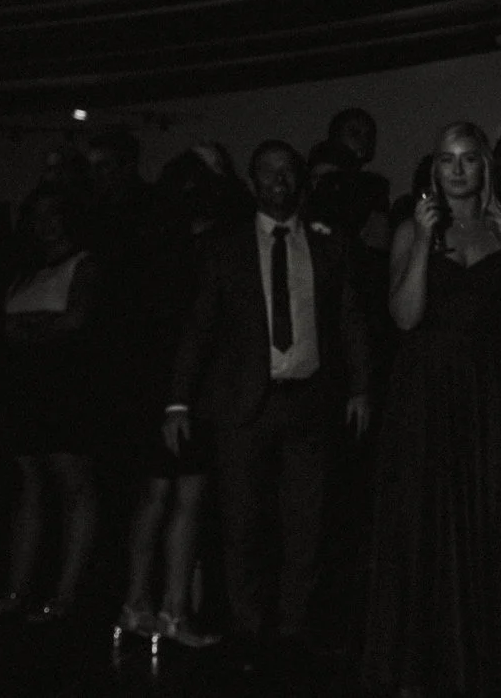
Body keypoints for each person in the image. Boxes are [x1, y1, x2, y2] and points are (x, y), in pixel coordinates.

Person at [166, 141, 371, 665]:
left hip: (310, 399)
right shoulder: (225, 245)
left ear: (299, 181)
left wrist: (360, 388)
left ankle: (292, 628)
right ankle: (249, 628)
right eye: (268, 174)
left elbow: (350, 321)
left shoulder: (329, 244)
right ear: (253, 183)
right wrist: (178, 402)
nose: (279, 182)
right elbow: (198, 326)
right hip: (242, 403)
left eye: (287, 173)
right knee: (242, 521)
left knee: (308, 520)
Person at [361, 122, 501, 697]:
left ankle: (481, 667)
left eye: (468, 159)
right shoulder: (411, 231)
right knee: (419, 521)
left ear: (484, 167)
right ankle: (418, 665)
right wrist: (418, 240)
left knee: (486, 516)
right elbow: (405, 317)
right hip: (423, 389)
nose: (458, 170)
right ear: (433, 169)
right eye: (446, 160)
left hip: (489, 389)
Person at [115, 151, 241, 654]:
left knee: (153, 499)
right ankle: (172, 610)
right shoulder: (205, 249)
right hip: (185, 390)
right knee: (186, 500)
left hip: (150, 384)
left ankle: (133, 605)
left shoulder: (150, 244)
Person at [0, 186, 106, 622]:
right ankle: (18, 591)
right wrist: (38, 326)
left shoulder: (84, 264)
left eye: (55, 213)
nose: (46, 223)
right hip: (24, 389)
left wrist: (31, 328)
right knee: (28, 482)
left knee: (73, 482)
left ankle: (66, 595)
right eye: (38, 215)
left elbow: (76, 321)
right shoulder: (24, 274)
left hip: (67, 389)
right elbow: (2, 327)